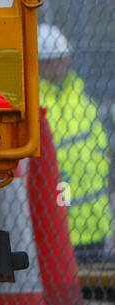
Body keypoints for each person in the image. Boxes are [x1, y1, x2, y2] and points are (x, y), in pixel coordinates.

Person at [38, 23, 112, 255]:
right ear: (41, 63)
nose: (65, 63)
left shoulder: (81, 99)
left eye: (65, 57)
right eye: (58, 59)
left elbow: (102, 153)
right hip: (57, 227)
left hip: (95, 226)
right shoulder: (36, 104)